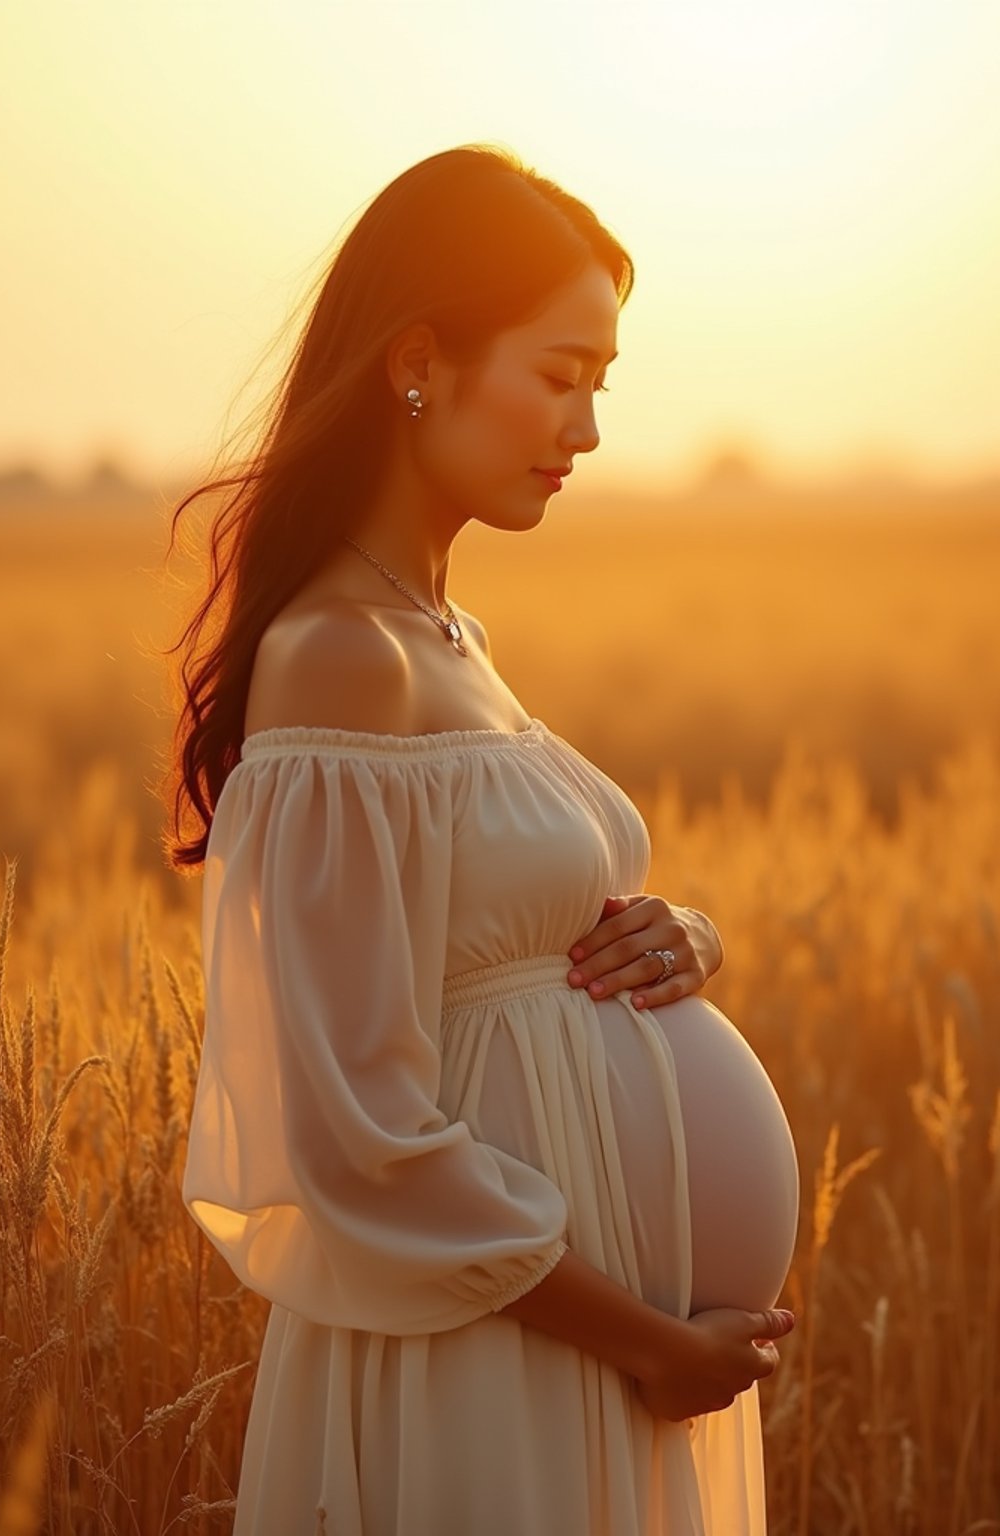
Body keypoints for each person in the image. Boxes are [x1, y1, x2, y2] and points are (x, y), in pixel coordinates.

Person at [165, 143, 798, 1536]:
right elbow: (353, 1134)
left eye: (601, 386)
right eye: (558, 374)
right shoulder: (342, 657)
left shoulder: (448, 640)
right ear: (420, 363)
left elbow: (524, 930)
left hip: (569, 1342)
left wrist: (682, 934)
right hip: (492, 1357)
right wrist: (641, 1337)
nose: (583, 429)